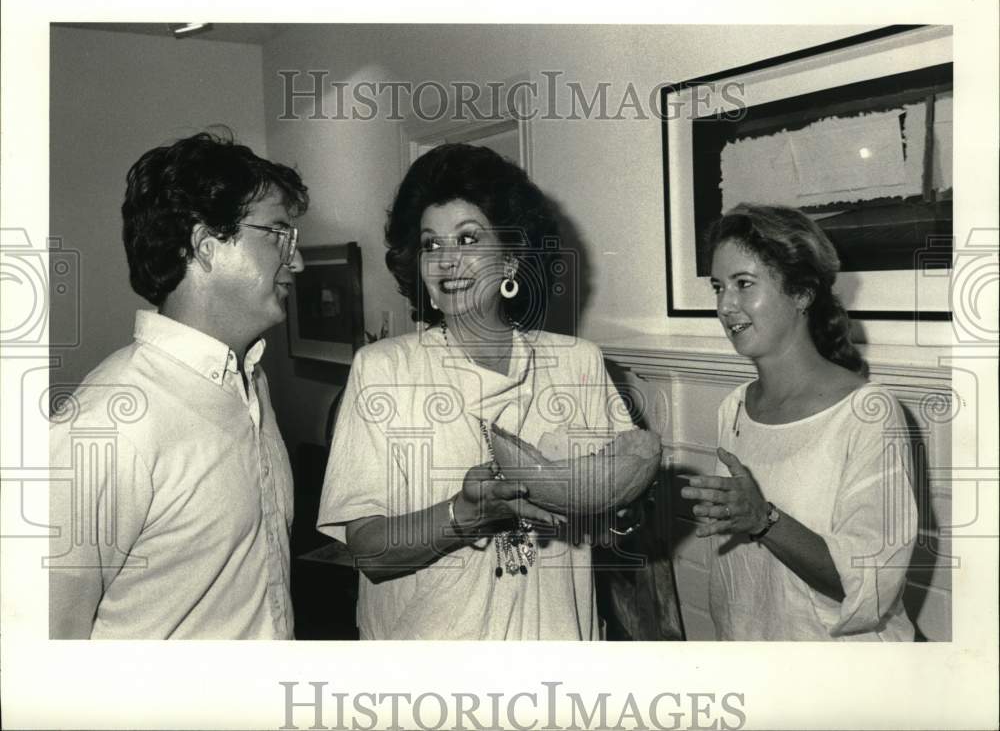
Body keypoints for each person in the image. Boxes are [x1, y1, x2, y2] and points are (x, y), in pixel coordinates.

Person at [318, 143, 641, 640]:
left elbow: (615, 517)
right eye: (430, 245)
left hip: (555, 652)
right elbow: (367, 550)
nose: (447, 261)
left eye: (467, 239)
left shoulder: (578, 363)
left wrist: (617, 507)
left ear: (511, 257)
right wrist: (462, 515)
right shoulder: (383, 369)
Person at [48, 131, 308, 639]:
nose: (296, 260)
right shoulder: (106, 424)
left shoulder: (251, 384)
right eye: (278, 234)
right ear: (205, 245)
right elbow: (46, 646)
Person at [681, 203, 918, 641]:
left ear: (802, 294)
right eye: (718, 287)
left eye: (744, 284)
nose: (724, 306)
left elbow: (867, 587)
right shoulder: (733, 408)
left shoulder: (868, 413)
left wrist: (763, 519)